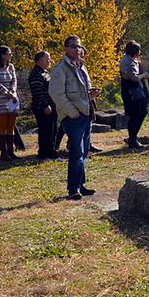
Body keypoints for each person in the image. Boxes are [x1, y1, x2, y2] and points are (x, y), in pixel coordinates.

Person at [49, 35, 99, 200]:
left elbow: (84, 90)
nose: (78, 49)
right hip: (74, 117)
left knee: (83, 153)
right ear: (66, 49)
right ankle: (73, 189)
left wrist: (92, 94)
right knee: (76, 152)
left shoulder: (81, 67)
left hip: (86, 114)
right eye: (74, 46)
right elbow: (56, 94)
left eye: (79, 46)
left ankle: (80, 185)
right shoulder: (60, 69)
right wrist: (73, 113)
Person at [0, 46, 20, 162]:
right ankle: (3, 152)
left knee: (11, 126)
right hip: (1, 99)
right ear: (2, 55)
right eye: (9, 53)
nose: (10, 55)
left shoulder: (11, 67)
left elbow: (14, 80)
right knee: (3, 125)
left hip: (12, 99)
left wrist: (13, 91)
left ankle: (11, 152)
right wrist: (7, 93)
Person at [28, 50, 59, 161]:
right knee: (45, 131)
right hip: (42, 108)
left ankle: (52, 153)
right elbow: (37, 92)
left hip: (51, 106)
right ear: (40, 60)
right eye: (47, 58)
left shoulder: (45, 73)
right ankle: (43, 154)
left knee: (52, 131)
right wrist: (45, 105)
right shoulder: (36, 73)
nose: (49, 61)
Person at [120, 41, 149, 148]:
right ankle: (132, 138)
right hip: (131, 91)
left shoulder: (132, 60)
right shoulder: (127, 61)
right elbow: (133, 77)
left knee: (142, 112)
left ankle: (133, 137)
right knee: (135, 114)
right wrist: (144, 75)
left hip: (137, 90)